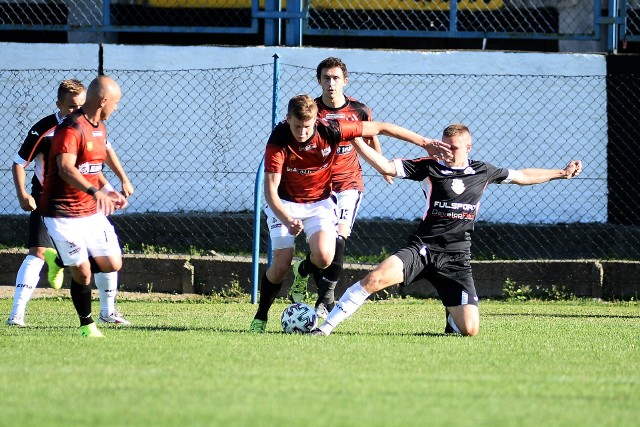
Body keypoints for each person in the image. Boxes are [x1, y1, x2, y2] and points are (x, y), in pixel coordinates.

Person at [311, 123, 583, 336]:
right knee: (374, 279)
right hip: (423, 248)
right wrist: (355, 139)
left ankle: (453, 317)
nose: (449, 150)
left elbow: (522, 175)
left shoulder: (483, 171)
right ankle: (324, 329)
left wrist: (561, 172)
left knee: (470, 330)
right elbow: (385, 166)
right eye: (446, 145)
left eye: (455, 147)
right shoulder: (428, 167)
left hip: (456, 257)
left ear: (469, 147)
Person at [249, 94, 451, 333]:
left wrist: (424, 142)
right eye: (296, 126)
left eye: (307, 126)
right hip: (285, 204)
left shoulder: (331, 129)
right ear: (288, 119)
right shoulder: (279, 140)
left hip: (319, 202)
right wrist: (287, 219)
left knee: (324, 257)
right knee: (280, 265)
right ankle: (261, 316)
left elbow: (381, 128)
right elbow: (271, 191)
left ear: (316, 119)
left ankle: (301, 270)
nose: (302, 132)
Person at [6, 79, 134, 327]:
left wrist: (117, 182)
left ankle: (107, 311)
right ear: (59, 104)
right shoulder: (46, 129)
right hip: (50, 202)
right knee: (38, 253)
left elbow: (100, 156)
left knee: (108, 259)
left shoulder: (91, 126)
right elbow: (19, 162)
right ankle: (16, 315)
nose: (76, 111)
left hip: (85, 202)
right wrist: (23, 194)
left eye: (81, 105)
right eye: (71, 106)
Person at [293, 57, 392, 319]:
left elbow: (372, 137)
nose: (331, 83)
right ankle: (303, 270)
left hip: (349, 183)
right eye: (326, 78)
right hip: (319, 187)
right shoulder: (313, 111)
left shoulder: (359, 110)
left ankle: (326, 298)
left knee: (339, 237)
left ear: (345, 81)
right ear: (319, 81)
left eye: (336, 78)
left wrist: (383, 167)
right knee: (320, 248)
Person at [40, 75, 129, 337]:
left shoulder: (100, 126)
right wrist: (94, 191)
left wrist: (110, 190)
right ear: (103, 100)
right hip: (61, 212)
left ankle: (59, 260)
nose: (116, 107)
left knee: (113, 263)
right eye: (115, 102)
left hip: (90, 210)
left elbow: (93, 167)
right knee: (82, 271)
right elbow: (66, 169)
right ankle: (86, 324)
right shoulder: (71, 128)